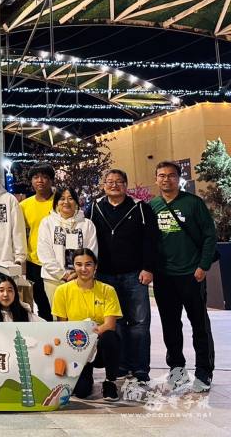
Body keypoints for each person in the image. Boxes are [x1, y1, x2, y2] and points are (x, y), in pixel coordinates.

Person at [150, 161, 216, 393]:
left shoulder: (193, 203)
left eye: (171, 175)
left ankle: (204, 371)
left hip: (191, 274)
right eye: (161, 175)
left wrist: (203, 266)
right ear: (156, 179)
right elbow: (147, 241)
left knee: (199, 324)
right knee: (170, 325)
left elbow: (209, 236)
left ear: (179, 179)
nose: (166, 179)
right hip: (164, 277)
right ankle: (177, 369)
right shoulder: (152, 206)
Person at [88, 168, 158, 384]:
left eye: (119, 181)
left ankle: (140, 368)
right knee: (114, 323)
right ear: (103, 185)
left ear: (126, 185)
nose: (114, 185)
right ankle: (119, 365)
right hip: (105, 276)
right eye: (109, 181)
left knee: (139, 323)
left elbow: (151, 240)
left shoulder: (141, 208)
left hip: (135, 275)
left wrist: (148, 268)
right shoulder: (94, 208)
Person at [51, 248, 122, 401]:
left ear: (95, 266)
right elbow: (62, 327)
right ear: (73, 267)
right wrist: (81, 341)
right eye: (79, 264)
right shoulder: (62, 291)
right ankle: (84, 375)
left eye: (88, 264)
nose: (83, 269)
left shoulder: (108, 290)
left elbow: (109, 325)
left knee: (110, 337)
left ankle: (110, 381)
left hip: (99, 344)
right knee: (82, 392)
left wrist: (89, 336)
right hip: (76, 346)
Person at [37, 186, 98, 304]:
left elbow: (92, 252)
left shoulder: (87, 224)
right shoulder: (47, 223)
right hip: (53, 280)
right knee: (58, 314)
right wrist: (62, 274)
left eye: (70, 198)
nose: (66, 202)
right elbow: (44, 252)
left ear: (76, 202)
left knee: (81, 312)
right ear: (56, 203)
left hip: (82, 278)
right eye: (62, 199)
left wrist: (77, 273)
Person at [19, 163, 56, 321]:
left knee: (61, 304)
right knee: (41, 303)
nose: (40, 180)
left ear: (51, 180)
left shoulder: (60, 201)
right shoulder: (24, 206)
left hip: (57, 262)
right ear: (31, 181)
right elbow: (19, 233)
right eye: (36, 177)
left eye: (45, 177)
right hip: (35, 262)